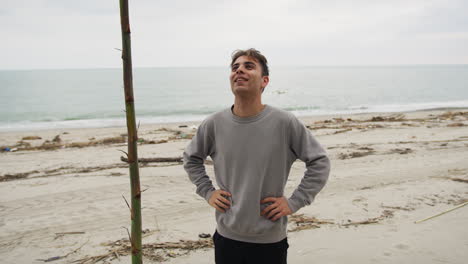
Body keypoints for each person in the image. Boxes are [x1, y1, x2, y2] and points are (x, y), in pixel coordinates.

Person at [183, 48, 331, 264]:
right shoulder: (214, 124)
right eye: (235, 67)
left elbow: (320, 162)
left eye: (248, 66)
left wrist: (295, 202)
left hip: (270, 241)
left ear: (264, 81)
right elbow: (191, 159)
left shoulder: (285, 122)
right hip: (227, 238)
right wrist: (208, 192)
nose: (239, 70)